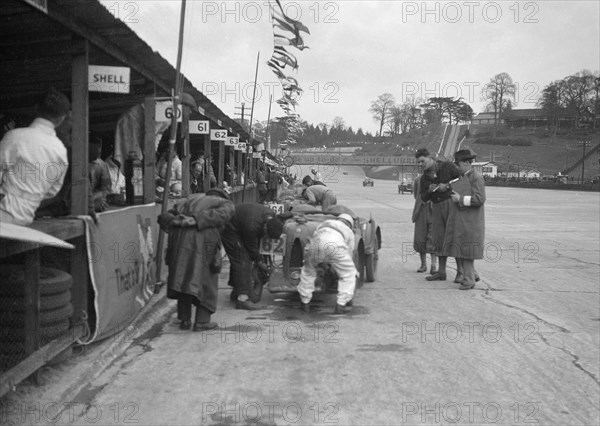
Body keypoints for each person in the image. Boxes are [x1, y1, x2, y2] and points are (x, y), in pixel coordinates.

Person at [158, 188, 235, 330]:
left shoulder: (188, 200)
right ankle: (202, 321)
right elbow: (223, 215)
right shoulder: (226, 204)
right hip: (204, 239)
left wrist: (179, 222)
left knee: (183, 277)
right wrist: (196, 220)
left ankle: (184, 319)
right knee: (207, 279)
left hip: (179, 239)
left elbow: (165, 217)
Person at [0, 87, 70, 225]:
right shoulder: (60, 150)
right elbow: (52, 191)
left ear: (36, 109)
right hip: (26, 216)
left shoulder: (15, 136)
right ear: (62, 118)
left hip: (3, 211)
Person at [221, 203, 284, 310]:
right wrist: (259, 262)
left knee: (241, 260)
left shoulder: (271, 217)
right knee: (242, 261)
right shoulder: (252, 226)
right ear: (265, 228)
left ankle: (236, 290)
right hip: (229, 229)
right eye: (267, 235)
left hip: (241, 222)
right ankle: (242, 299)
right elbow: (252, 247)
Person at [298, 213, 357, 314]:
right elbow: (349, 253)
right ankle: (341, 304)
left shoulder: (325, 223)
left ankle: (305, 302)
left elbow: (317, 238)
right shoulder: (349, 231)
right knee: (349, 274)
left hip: (315, 245)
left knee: (308, 272)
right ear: (349, 224)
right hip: (335, 246)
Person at [418, 148, 461, 281]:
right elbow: (423, 198)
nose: (421, 164)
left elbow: (462, 178)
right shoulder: (424, 177)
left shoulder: (447, 166)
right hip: (436, 207)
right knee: (439, 239)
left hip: (450, 204)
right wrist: (430, 191)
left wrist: (447, 185)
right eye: (419, 163)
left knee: (453, 237)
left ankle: (461, 272)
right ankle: (441, 272)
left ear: (430, 157)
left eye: (422, 161)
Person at [447, 149, 486, 290]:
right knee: (464, 249)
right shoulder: (464, 178)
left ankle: (469, 280)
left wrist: (460, 199)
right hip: (465, 220)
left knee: (467, 251)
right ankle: (472, 275)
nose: (456, 168)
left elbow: (480, 199)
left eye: (457, 165)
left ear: (465, 163)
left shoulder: (476, 178)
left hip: (472, 221)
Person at [412, 166, 438, 274]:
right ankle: (423, 265)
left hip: (434, 211)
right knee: (420, 237)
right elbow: (416, 195)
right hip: (421, 210)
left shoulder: (438, 180)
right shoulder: (418, 180)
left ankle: (433, 266)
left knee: (433, 238)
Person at [88, 137, 112, 212]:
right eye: (96, 147)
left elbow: (107, 190)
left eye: (100, 147)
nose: (99, 150)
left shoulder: (102, 165)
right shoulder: (74, 162)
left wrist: (98, 196)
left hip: (95, 201)